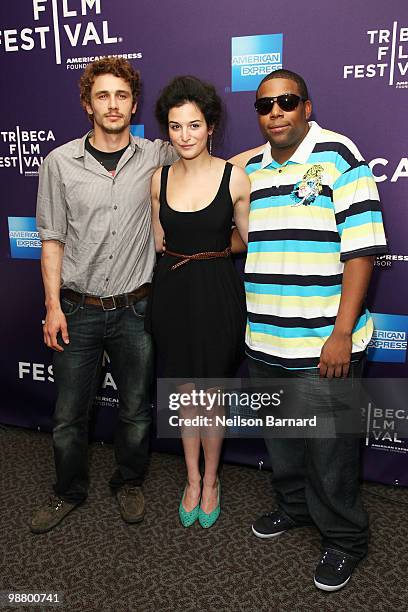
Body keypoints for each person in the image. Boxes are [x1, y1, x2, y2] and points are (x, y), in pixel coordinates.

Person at [230, 69, 387, 590]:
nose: (275, 112)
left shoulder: (339, 156)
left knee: (331, 451)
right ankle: (294, 507)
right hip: (266, 339)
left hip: (324, 341)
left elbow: (361, 250)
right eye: (265, 105)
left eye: (287, 102)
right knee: (284, 441)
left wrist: (341, 333)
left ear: (307, 106)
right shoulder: (252, 167)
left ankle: (345, 539)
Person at [31, 57, 177, 534]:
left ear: (134, 103)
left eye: (121, 95)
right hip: (78, 307)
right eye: (103, 96)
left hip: (137, 307)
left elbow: (212, 164)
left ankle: (129, 481)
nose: (113, 105)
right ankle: (68, 491)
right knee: (68, 415)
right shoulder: (59, 163)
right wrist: (53, 307)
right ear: (87, 104)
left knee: (136, 409)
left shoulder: (157, 155)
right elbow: (51, 238)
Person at [148, 76, 250, 528]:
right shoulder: (159, 178)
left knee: (213, 395)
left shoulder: (235, 177)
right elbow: (159, 242)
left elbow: (246, 241)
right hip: (172, 293)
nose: (184, 136)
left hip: (217, 294)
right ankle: (190, 478)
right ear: (166, 130)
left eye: (194, 125)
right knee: (186, 395)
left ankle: (212, 481)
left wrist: (209, 252)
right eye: (175, 127)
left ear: (210, 126)